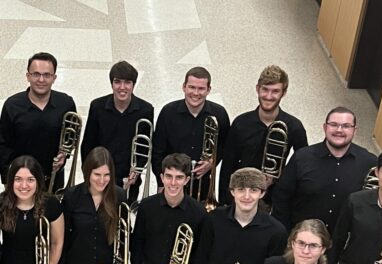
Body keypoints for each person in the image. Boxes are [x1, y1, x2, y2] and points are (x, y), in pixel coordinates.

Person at [271, 107, 377, 235]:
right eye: (334, 125)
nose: (339, 130)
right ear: (325, 127)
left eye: (346, 126)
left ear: (355, 130)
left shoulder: (369, 162)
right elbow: (281, 198)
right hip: (302, 241)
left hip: (343, 244)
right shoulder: (302, 157)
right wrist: (287, 235)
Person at [218, 65, 308, 206]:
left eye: (275, 91)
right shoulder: (240, 123)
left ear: (283, 93)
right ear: (257, 89)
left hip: (276, 197)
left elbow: (303, 166)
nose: (269, 96)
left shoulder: (294, 126)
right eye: (265, 89)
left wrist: (277, 178)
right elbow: (227, 166)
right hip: (241, 195)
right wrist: (224, 203)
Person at [0, 52, 78, 192]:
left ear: (54, 77)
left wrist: (65, 155)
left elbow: (70, 139)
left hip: (53, 178)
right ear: (28, 76)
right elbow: (3, 146)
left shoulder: (66, 103)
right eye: (36, 74)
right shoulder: (12, 105)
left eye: (47, 75)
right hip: (22, 182)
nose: (41, 79)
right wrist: (7, 180)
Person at [151, 67, 230, 204]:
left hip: (203, 183)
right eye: (191, 87)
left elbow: (226, 147)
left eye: (201, 88)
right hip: (173, 183)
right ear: (184, 87)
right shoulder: (168, 112)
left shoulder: (219, 114)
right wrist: (161, 182)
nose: (195, 93)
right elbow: (157, 151)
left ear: (208, 90)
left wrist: (212, 162)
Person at [80, 61, 155, 204]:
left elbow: (145, 147)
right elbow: (88, 144)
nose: (122, 87)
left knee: (124, 215)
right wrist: (88, 173)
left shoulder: (146, 110)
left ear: (133, 85)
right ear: (111, 84)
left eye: (127, 83)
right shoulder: (97, 107)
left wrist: (137, 170)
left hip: (129, 177)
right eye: (117, 82)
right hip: (100, 175)